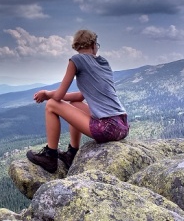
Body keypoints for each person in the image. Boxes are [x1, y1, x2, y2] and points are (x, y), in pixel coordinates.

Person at [26, 29, 129, 173]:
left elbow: (58, 96)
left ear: (76, 46)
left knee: (51, 105)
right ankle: (72, 154)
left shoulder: (76, 60)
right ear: (93, 44)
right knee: (75, 105)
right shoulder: (103, 62)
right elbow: (80, 97)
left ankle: (50, 156)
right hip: (122, 125)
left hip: (107, 128)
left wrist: (46, 94)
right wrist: (51, 95)